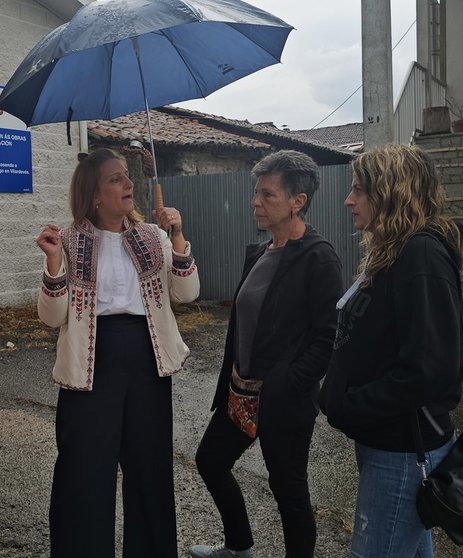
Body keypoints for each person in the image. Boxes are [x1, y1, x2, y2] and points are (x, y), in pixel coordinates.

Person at [36, 148, 199, 558]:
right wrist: (54, 263)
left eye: (127, 177)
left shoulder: (153, 236)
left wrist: (177, 236)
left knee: (149, 468)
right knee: (84, 469)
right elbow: (53, 317)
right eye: (115, 179)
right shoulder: (68, 240)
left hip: (146, 358)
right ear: (93, 194)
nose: (128, 185)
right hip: (89, 361)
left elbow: (187, 293)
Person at [189, 150, 344, 558]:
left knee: (288, 490)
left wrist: (288, 384)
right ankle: (239, 547)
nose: (255, 202)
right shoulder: (258, 254)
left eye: (267, 195)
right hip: (239, 396)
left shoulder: (318, 257)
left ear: (298, 201)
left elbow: (328, 338)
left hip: (281, 402)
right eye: (255, 193)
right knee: (210, 462)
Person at [318, 144, 463, 558]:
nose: (349, 200)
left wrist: (350, 405)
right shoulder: (394, 251)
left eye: (360, 190)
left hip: (403, 447)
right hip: (388, 440)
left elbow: (430, 369)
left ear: (392, 192)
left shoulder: (421, 254)